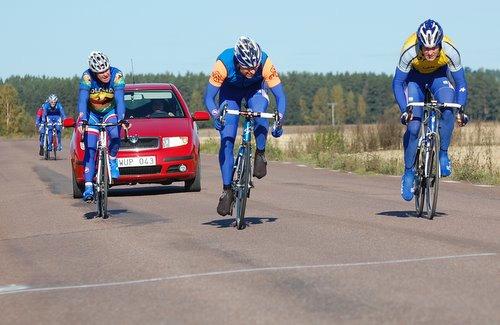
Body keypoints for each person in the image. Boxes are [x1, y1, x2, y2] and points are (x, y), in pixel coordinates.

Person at [204, 36, 286, 216]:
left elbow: (280, 96)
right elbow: (209, 98)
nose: (252, 71)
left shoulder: (264, 62)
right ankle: (227, 190)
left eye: (254, 67)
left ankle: (260, 153)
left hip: (255, 90)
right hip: (230, 93)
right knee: (227, 138)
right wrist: (215, 114)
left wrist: (279, 119)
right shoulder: (223, 63)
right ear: (237, 62)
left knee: (259, 111)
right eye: (247, 68)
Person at [392, 19, 469, 201]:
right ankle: (409, 173)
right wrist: (405, 110)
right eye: (426, 48)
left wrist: (461, 110)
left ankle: (443, 154)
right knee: (413, 127)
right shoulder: (409, 51)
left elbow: (461, 83)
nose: (430, 52)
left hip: (438, 77)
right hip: (414, 81)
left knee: (449, 107)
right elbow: (397, 83)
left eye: (434, 47)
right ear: (419, 43)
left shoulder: (450, 50)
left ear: (440, 43)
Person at [77, 51, 127, 202]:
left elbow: (119, 99)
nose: (105, 74)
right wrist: (82, 120)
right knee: (91, 148)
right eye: (100, 72)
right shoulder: (87, 77)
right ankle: (88, 186)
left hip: (109, 111)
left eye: (106, 69)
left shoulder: (117, 75)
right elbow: (83, 99)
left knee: (116, 135)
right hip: (92, 114)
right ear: (94, 72)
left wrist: (122, 119)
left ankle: (112, 159)